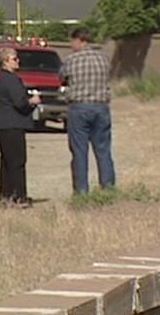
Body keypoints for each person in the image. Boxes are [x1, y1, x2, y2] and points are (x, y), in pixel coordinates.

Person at [59, 29, 115, 195]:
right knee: (103, 149)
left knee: (79, 151)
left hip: (79, 107)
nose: (71, 45)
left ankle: (82, 190)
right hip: (101, 106)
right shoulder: (103, 58)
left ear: (79, 40)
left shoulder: (71, 60)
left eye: (72, 42)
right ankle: (107, 188)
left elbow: (62, 77)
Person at [0, 47, 41, 207]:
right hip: (11, 124)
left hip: (3, 125)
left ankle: (5, 196)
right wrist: (32, 101)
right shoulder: (10, 80)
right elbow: (19, 103)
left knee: (7, 162)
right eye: (14, 59)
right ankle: (19, 196)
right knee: (17, 162)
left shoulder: (3, 79)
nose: (18, 61)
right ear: (5, 61)